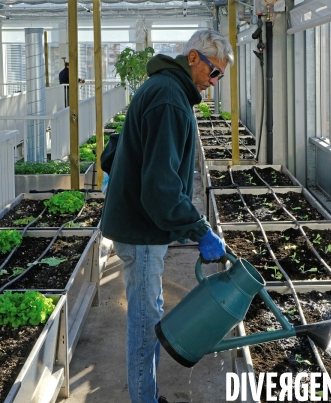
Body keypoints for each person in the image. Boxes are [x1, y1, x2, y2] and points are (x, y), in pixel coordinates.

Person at [99, 29, 233, 403]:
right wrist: (200, 229)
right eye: (214, 72)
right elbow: (160, 189)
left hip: (138, 224)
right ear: (193, 58)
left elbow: (115, 153)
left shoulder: (160, 87)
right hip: (142, 230)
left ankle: (148, 394)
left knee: (149, 314)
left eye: (219, 75)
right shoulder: (171, 99)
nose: (213, 82)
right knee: (145, 323)